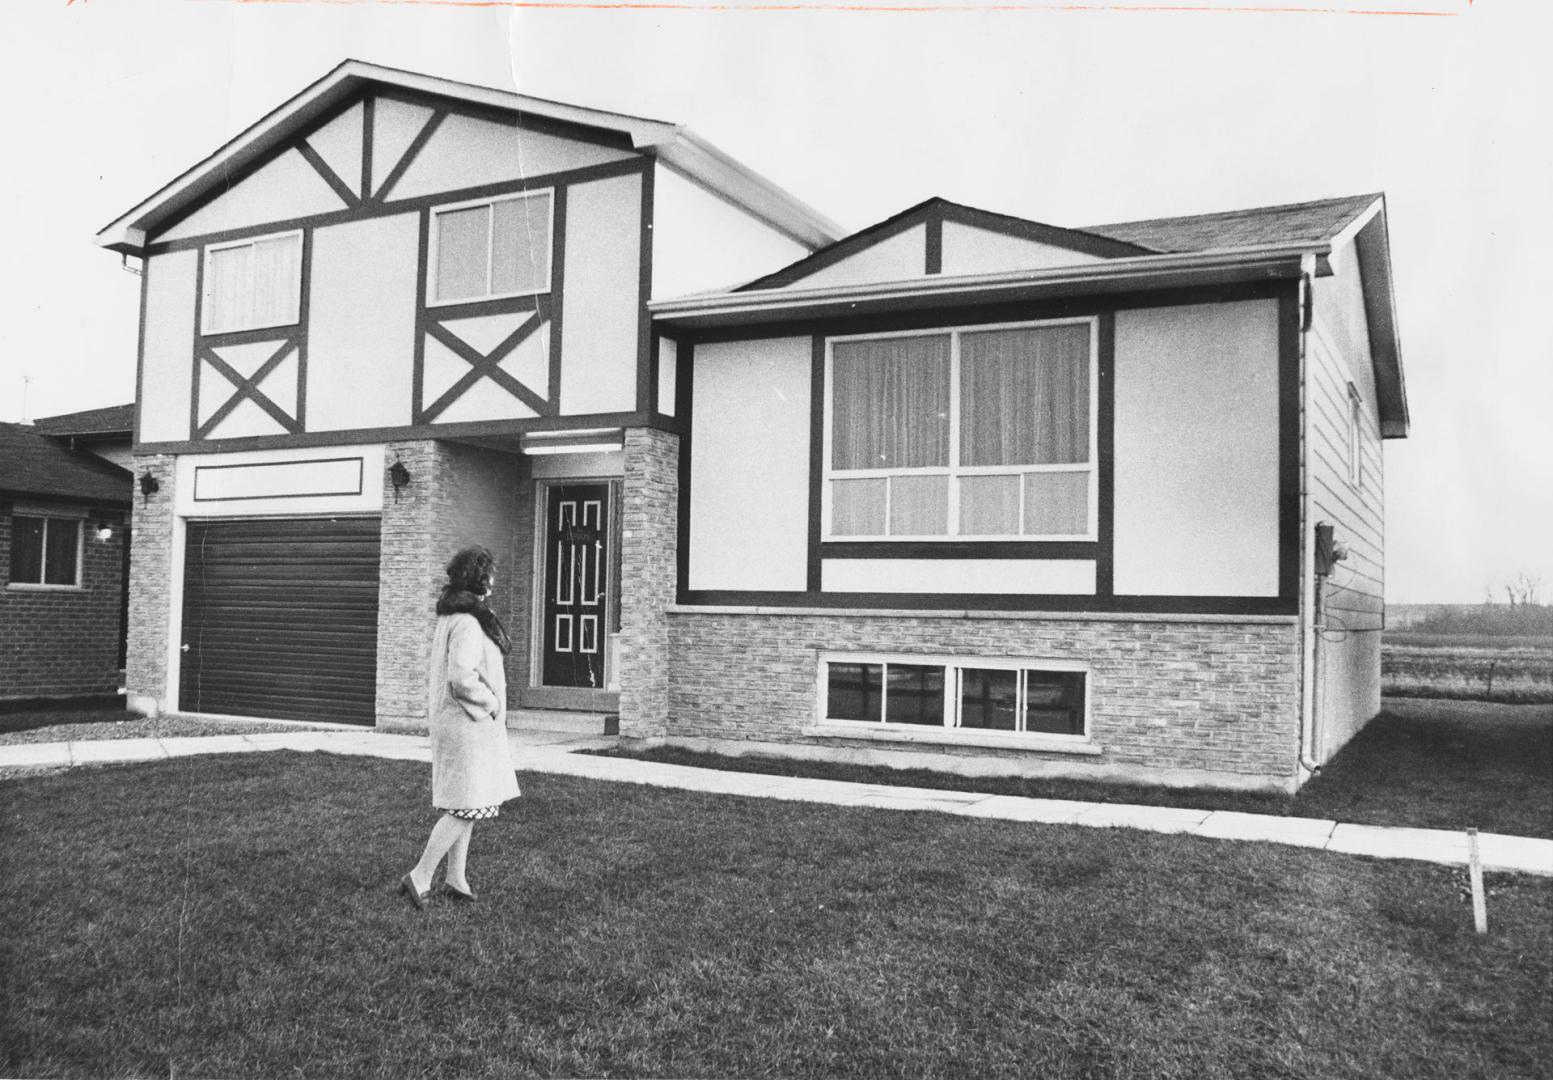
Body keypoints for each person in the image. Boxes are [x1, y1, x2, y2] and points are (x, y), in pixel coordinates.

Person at [398, 545, 520, 909]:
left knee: (471, 801)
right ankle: (420, 875)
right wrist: (492, 703)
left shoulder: (455, 615)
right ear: (479, 578)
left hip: (461, 723)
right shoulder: (468, 620)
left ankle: (456, 878)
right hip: (468, 724)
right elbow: (461, 677)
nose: (494, 580)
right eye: (490, 574)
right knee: (465, 805)